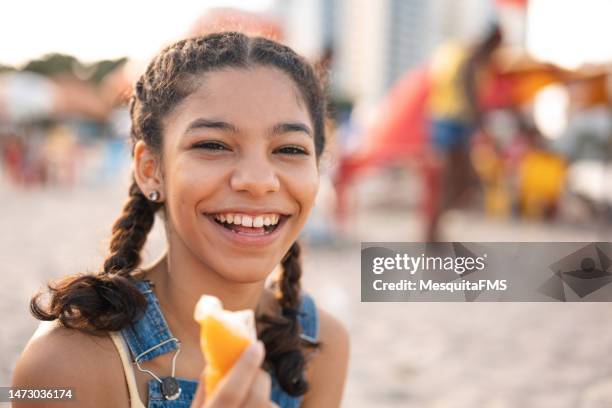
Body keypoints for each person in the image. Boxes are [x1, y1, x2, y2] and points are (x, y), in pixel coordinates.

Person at [12, 32, 349, 408]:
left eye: (289, 149)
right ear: (151, 169)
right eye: (213, 145)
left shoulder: (320, 344)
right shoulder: (63, 365)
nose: (257, 181)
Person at [425, 25, 503, 241]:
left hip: (449, 120)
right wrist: (484, 126)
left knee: (457, 182)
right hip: (451, 122)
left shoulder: (467, 55)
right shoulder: (471, 58)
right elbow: (470, 95)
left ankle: (434, 229)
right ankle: (432, 230)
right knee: (454, 181)